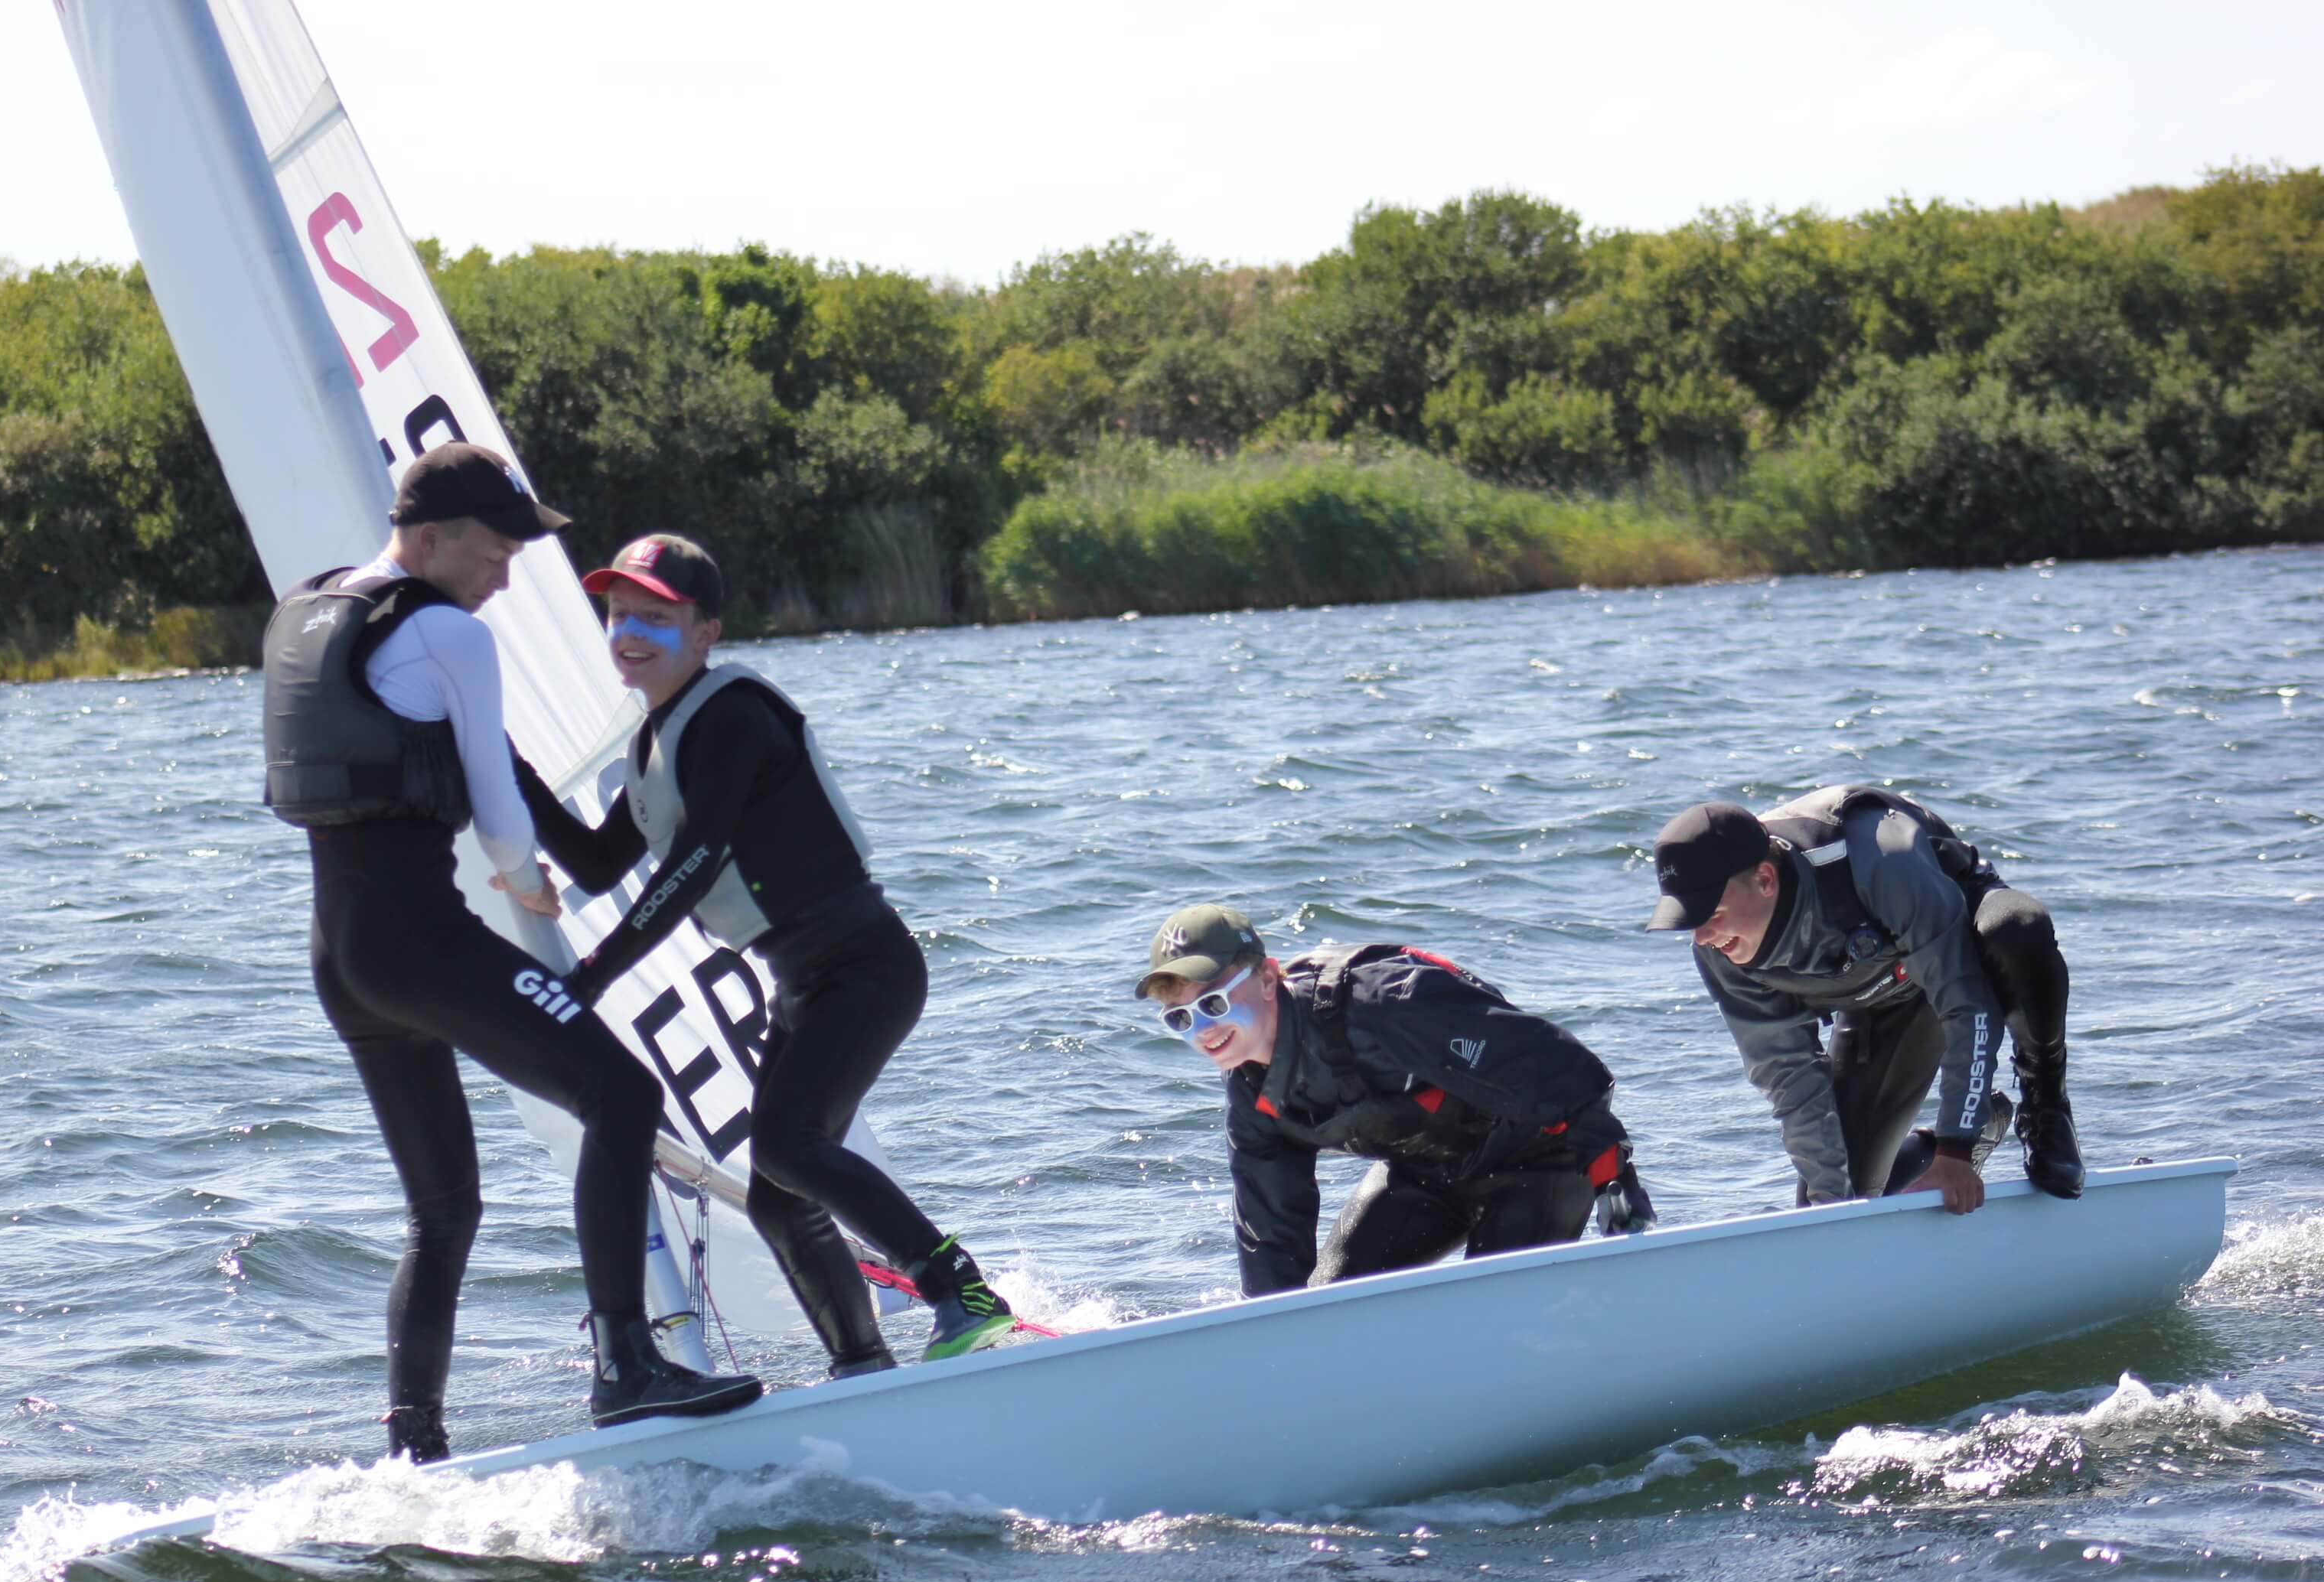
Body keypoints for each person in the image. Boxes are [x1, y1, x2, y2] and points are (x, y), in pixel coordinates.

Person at [261, 445, 762, 1460]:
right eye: (500, 548)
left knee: (443, 1211)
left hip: (340, 957)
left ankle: (414, 1447)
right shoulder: (448, 630)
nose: (509, 573)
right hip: (419, 945)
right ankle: (627, 1367)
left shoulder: (314, 605)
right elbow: (497, 802)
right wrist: (527, 880)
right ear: (435, 537)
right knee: (622, 1099)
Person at [522, 532, 1016, 1372]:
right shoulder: (652, 743)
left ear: (708, 632)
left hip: (863, 964)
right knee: (778, 1192)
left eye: (657, 618)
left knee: (788, 1147)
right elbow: (599, 863)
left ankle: (960, 1290)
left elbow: (697, 861)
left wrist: (595, 976)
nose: (629, 633)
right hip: (802, 981)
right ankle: (862, 1364)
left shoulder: (732, 715)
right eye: (618, 616)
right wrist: (505, 772)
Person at [1137, 904, 1653, 1298]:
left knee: (1490, 1313)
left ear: (1269, 978)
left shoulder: (1383, 1004)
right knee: (1325, 1303)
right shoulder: (1253, 1097)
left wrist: (1612, 1175)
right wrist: (1273, 1353)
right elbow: (1273, 1240)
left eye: (1214, 1003)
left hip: (1538, 1165)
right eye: (1181, 1019)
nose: (1204, 1030)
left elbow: (1559, 1067)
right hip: (1425, 1177)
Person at [1645, 786, 2084, 1213]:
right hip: (1880, 1001)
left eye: (1712, 914)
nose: (1701, 936)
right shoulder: (1718, 951)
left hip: (1960, 952)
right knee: (1840, 1201)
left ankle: (2045, 1104)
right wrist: (1831, 1210)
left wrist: (1957, 1150)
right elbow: (1791, 1078)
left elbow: (1966, 1001)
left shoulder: (1880, 859)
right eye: (1690, 918)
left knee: (2016, 927)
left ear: (1765, 879)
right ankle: (1978, 1125)